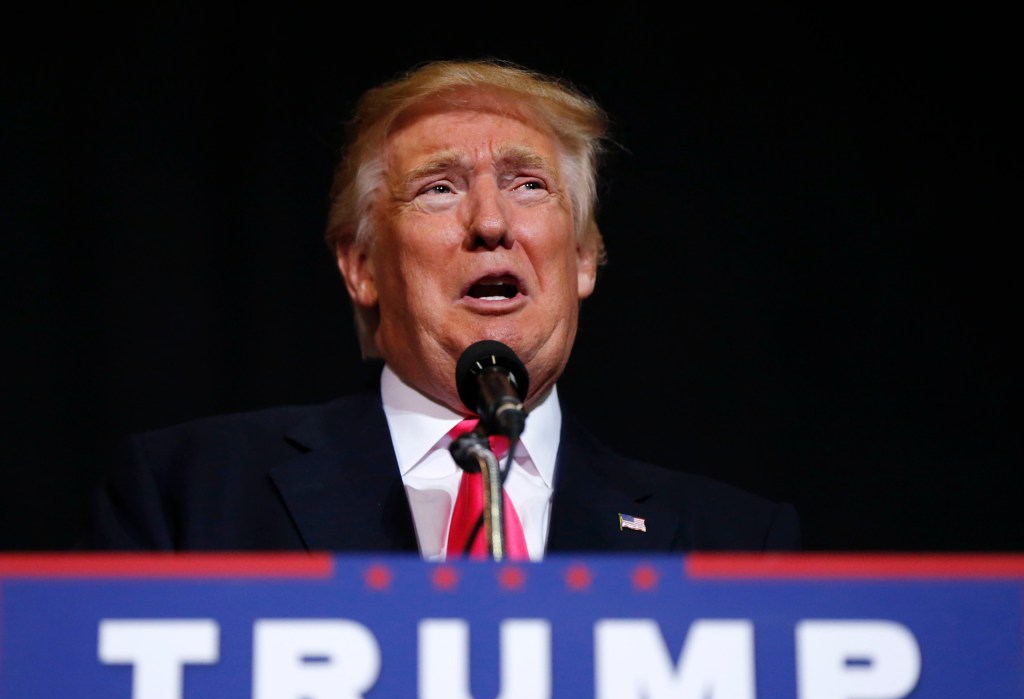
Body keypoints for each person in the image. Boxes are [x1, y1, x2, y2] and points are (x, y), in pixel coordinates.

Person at [82, 58, 800, 557]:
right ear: (361, 266)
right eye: (440, 188)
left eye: (528, 186)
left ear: (583, 257)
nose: (491, 222)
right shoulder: (189, 496)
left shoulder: (734, 543)